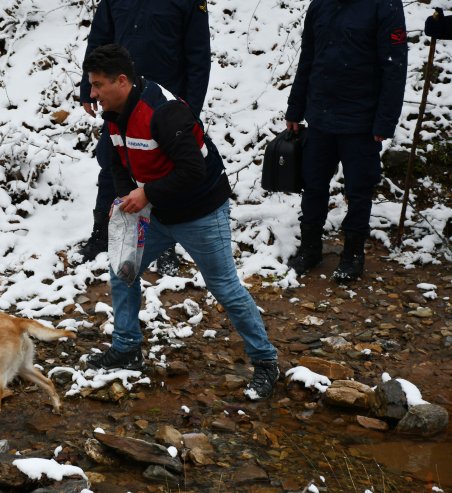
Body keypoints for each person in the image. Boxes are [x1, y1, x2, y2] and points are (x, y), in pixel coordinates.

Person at [81, 44, 280, 401]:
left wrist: (146, 194)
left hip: (201, 210)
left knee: (224, 286)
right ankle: (126, 349)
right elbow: (117, 164)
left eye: (97, 85)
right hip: (157, 211)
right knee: (123, 270)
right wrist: (127, 199)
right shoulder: (113, 114)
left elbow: (193, 170)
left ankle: (266, 361)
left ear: (121, 81)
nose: (92, 93)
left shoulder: (163, 111)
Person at [77, 0, 212, 276]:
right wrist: (86, 88)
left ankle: (165, 245)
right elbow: (99, 41)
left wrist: (189, 113)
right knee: (112, 165)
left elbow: (198, 57)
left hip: (163, 105)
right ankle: (102, 234)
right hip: (120, 99)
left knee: (162, 172)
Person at [285, 0, 408, 281]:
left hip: (361, 120)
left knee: (359, 189)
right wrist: (295, 108)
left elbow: (394, 66)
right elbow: (308, 58)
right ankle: (310, 249)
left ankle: (353, 255)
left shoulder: (385, 6)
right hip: (320, 114)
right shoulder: (320, 5)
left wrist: (385, 120)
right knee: (313, 184)